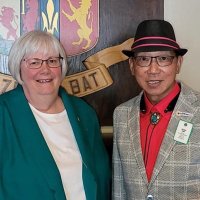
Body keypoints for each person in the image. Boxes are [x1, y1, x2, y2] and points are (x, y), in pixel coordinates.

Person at [0, 30, 110, 200]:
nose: (45, 70)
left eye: (52, 61)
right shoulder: (3, 114)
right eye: (35, 62)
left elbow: (101, 179)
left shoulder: (84, 113)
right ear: (18, 68)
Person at [112, 19, 200, 200]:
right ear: (132, 65)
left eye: (163, 59)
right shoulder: (121, 115)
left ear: (178, 63)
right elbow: (119, 188)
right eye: (143, 59)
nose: (153, 70)